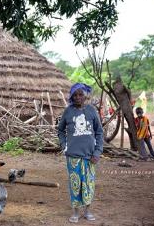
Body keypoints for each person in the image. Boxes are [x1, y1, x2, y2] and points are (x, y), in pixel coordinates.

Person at [58, 83, 103, 223]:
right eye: (75, 95)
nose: (78, 97)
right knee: (75, 184)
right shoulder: (68, 112)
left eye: (80, 95)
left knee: (88, 184)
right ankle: (76, 212)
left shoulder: (91, 111)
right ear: (71, 97)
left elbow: (99, 133)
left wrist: (97, 152)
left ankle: (87, 211)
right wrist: (64, 145)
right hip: (72, 156)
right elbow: (60, 130)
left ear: (85, 96)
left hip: (90, 157)